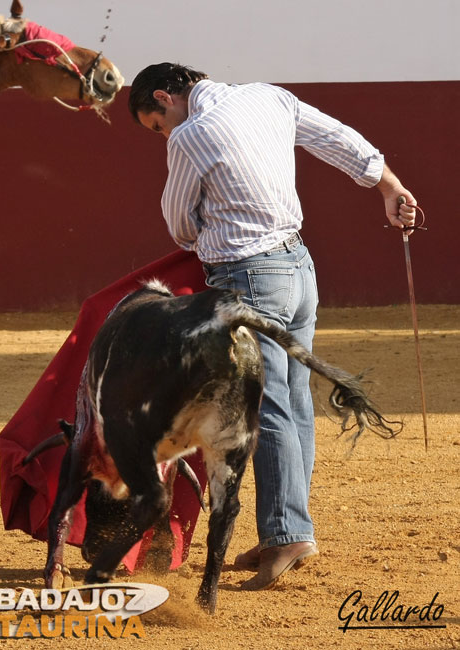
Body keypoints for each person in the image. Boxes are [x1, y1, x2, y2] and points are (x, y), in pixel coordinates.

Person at [128, 62, 417, 591]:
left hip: (248, 278)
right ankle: (288, 526)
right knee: (295, 398)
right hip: (299, 271)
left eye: (157, 124)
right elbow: (336, 138)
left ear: (167, 97)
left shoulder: (191, 135)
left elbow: (179, 224)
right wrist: (390, 186)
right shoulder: (270, 98)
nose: (163, 134)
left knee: (271, 405)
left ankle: (287, 533)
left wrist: (207, 232)